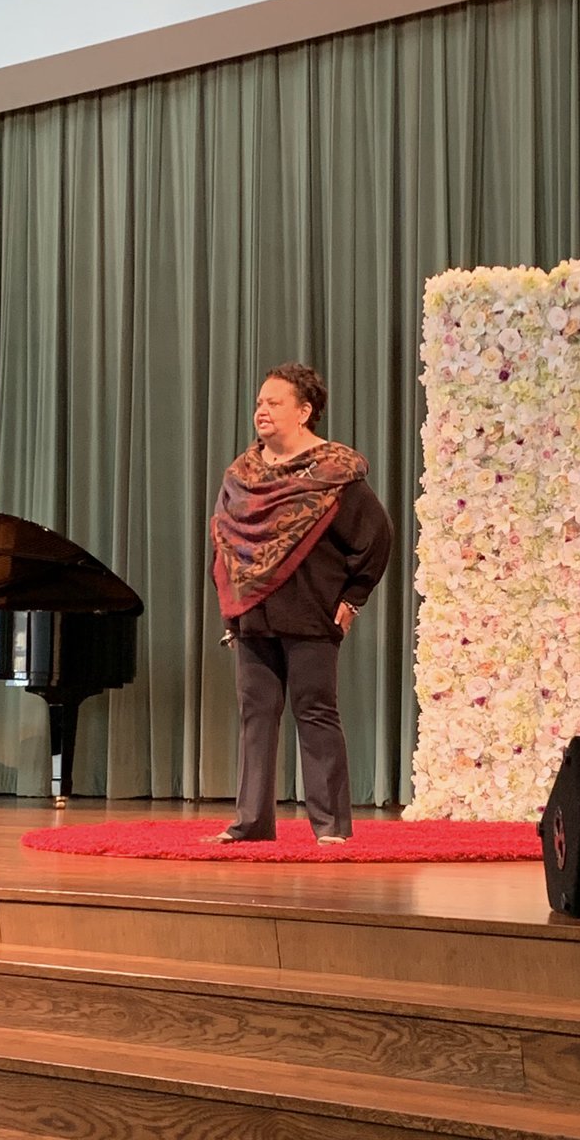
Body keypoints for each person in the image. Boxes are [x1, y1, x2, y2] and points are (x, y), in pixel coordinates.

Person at [206, 362, 392, 844]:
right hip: (252, 616)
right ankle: (251, 824)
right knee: (255, 715)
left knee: (315, 712)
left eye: (275, 402)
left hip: (310, 613)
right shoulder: (243, 475)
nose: (261, 411)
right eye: (259, 402)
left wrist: (353, 599)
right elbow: (227, 540)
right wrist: (232, 603)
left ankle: (331, 827)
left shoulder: (334, 475)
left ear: (305, 411)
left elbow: (376, 538)